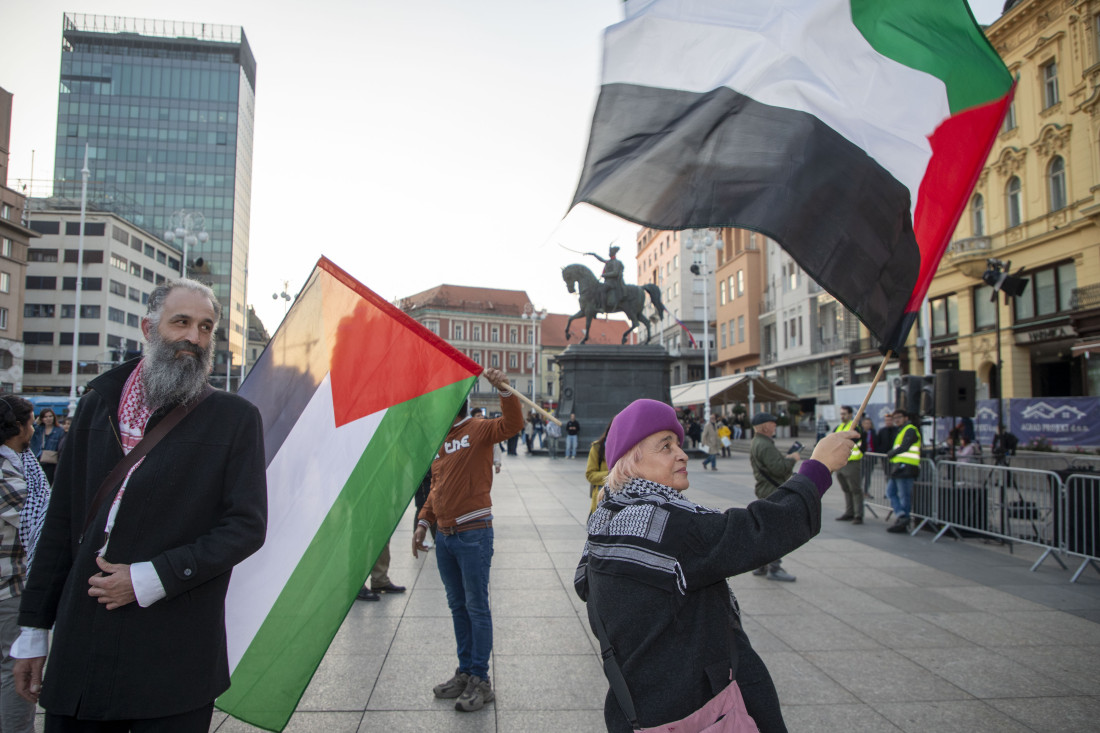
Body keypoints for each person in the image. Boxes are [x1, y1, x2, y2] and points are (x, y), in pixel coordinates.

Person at [12, 279, 268, 731]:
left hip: (173, 651)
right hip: (83, 648)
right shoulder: (96, 405)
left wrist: (150, 578)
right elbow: (62, 522)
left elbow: (245, 526)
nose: (194, 336)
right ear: (149, 328)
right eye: (182, 323)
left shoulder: (234, 418)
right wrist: (34, 630)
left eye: (206, 327)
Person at [575, 398, 857, 732]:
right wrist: (818, 468)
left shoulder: (606, 519)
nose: (681, 453)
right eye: (665, 447)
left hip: (639, 706)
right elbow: (757, 530)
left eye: (678, 443)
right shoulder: (666, 527)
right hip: (698, 709)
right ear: (629, 463)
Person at [412, 367, 522, 714]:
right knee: (458, 606)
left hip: (474, 533)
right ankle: (464, 672)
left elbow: (513, 425)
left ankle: (480, 680)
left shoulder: (477, 429)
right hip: (444, 537)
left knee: (476, 607)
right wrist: (422, 522)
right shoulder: (440, 442)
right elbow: (437, 488)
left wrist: (504, 389)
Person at [0, 396, 39, 733]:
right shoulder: (6, 473)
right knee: (17, 671)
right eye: (29, 422)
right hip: (8, 587)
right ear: (16, 428)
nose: (34, 428)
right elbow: (38, 518)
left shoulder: (19, 464)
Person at [749, 413, 801, 581]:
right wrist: (792, 459)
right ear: (764, 426)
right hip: (771, 490)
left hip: (764, 489)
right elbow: (778, 469)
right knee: (774, 531)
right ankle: (774, 567)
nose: (775, 426)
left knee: (766, 529)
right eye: (772, 423)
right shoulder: (765, 445)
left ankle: (761, 565)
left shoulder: (759, 442)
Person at [885, 410, 921, 533]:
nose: (896, 420)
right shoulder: (901, 430)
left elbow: (906, 446)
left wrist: (892, 453)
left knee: (904, 495)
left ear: (906, 417)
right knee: (890, 492)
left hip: (907, 467)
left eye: (899, 417)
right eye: (895, 418)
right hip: (898, 467)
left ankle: (903, 520)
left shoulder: (910, 429)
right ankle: (901, 515)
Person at [831, 406, 865, 524]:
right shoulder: (839, 427)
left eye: (844, 414)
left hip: (852, 462)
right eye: (841, 414)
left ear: (850, 415)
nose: (842, 416)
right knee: (846, 489)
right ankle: (849, 512)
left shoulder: (855, 427)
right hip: (840, 462)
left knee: (855, 489)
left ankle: (858, 515)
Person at [30, 408, 63, 484]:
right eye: (45, 417)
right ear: (42, 418)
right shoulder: (39, 429)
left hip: (51, 460)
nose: (48, 419)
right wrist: (36, 422)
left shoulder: (59, 430)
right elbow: (30, 428)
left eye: (50, 416)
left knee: (48, 483)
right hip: (38, 458)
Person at [587, 245, 626, 311]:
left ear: (613, 253)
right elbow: (601, 259)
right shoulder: (609, 261)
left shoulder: (615, 262)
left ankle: (603, 307)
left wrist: (605, 275)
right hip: (608, 282)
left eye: (610, 252)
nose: (609, 253)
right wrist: (594, 255)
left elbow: (615, 273)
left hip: (613, 282)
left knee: (602, 289)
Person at [585, 422, 612, 516]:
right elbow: (590, 475)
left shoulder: (629, 450)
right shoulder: (597, 447)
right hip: (601, 500)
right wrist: (611, 474)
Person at [860, 416, 876, 497]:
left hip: (871, 456)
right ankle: (859, 491)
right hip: (862, 456)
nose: (868, 425)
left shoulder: (873, 432)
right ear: (862, 424)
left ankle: (866, 491)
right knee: (861, 475)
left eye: (869, 423)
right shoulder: (860, 433)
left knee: (868, 475)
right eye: (866, 423)